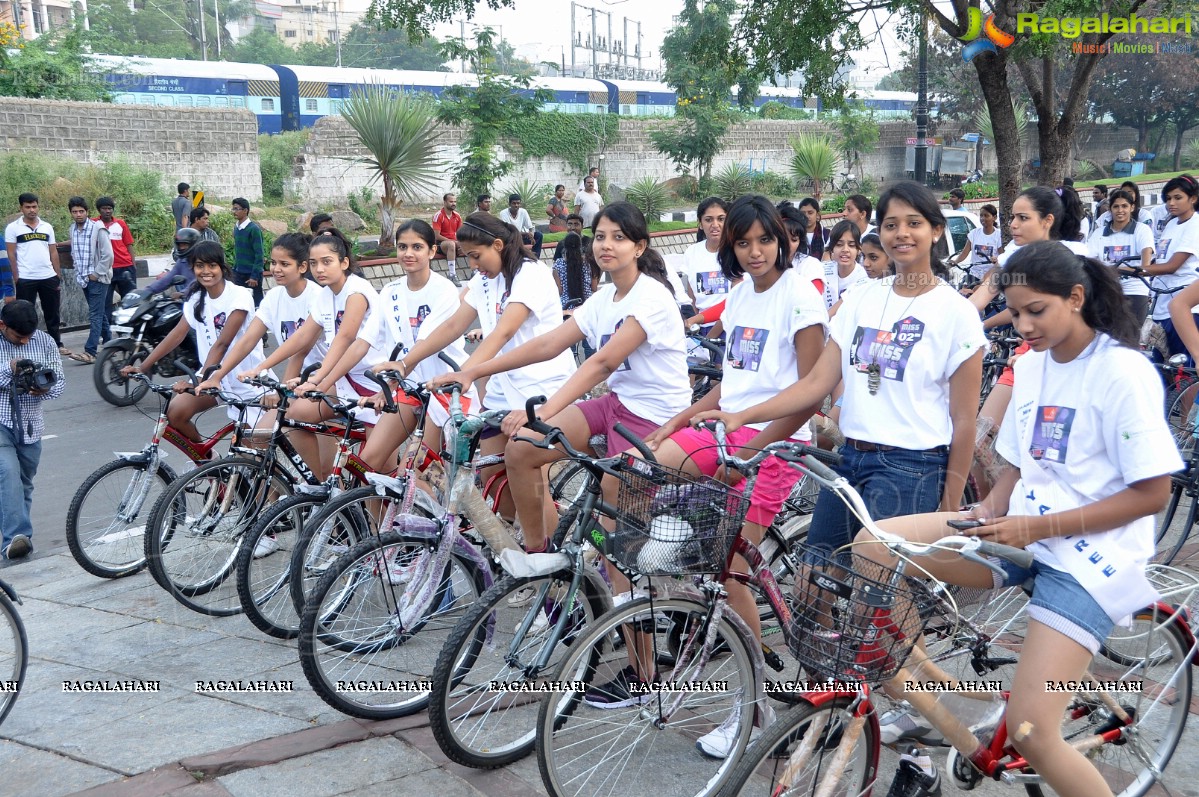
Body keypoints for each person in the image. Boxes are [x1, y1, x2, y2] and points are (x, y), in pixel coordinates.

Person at [862, 240, 1181, 797]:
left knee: (1034, 732)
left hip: (1090, 559)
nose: (1024, 325)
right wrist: (988, 508)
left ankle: (1026, 708)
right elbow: (1016, 463)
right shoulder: (1031, 366)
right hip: (1018, 533)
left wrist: (1032, 528)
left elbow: (1152, 493)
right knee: (870, 549)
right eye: (1016, 312)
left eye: (1037, 310)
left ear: (1076, 297)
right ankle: (939, 708)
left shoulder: (1122, 372)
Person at [694, 180, 985, 561]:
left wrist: (948, 506)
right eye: (891, 224)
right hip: (851, 459)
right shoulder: (862, 299)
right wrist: (742, 416)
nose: (901, 234)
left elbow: (964, 422)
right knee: (811, 583)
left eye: (913, 223)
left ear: (936, 230)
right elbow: (816, 382)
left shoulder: (956, 312)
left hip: (912, 466)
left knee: (876, 597)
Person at [633, 197, 827, 751]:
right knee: (640, 469)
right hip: (730, 430)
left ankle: (757, 704)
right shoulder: (739, 296)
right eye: (743, 243)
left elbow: (810, 392)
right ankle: (651, 595)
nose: (755, 251)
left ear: (785, 241)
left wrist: (752, 427)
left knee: (733, 562)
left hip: (781, 440)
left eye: (765, 240)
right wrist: (678, 420)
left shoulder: (800, 299)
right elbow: (733, 382)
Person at [403, 212, 575, 520]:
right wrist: (405, 362)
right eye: (469, 257)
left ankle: (542, 554)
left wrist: (467, 371)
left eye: (476, 256)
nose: (473, 264)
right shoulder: (484, 280)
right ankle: (513, 545)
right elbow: (453, 324)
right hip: (500, 394)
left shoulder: (531, 274)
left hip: (540, 390)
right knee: (494, 481)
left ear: (497, 245)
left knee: (533, 486)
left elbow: (504, 331)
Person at [238, 229, 388, 479]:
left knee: (376, 472)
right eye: (315, 263)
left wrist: (318, 381)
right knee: (294, 415)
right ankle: (316, 485)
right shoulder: (326, 294)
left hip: (374, 383)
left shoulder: (356, 291)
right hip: (344, 379)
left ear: (344, 263)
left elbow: (344, 339)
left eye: (327, 262)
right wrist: (260, 366)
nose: (319, 269)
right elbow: (302, 336)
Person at [354, 220, 476, 477]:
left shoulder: (444, 290)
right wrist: (385, 389)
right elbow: (364, 340)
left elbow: (425, 343)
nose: (408, 253)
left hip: (444, 388)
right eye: (402, 247)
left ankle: (438, 516)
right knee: (365, 466)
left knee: (416, 473)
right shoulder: (389, 291)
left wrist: (397, 377)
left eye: (417, 247)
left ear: (432, 251)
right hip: (408, 387)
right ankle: (383, 519)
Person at [122, 241, 265, 444]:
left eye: (212, 265)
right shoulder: (196, 297)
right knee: (176, 413)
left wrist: (199, 381)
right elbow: (176, 335)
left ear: (222, 268)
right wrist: (144, 367)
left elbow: (222, 344)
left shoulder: (239, 296)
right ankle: (209, 465)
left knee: (252, 452)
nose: (206, 271)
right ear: (193, 268)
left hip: (245, 379)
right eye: (200, 266)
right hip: (211, 378)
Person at [0, 299, 65, 560]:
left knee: (23, 483)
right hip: (1, 420)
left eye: (29, 337)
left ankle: (17, 538)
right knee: (7, 474)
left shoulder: (46, 342)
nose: (25, 342)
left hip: (30, 425)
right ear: (2, 325)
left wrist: (44, 388)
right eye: (19, 337)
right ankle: (16, 537)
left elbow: (59, 382)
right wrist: (10, 369)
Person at [5, 193, 69, 357]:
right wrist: (17, 277)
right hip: (26, 278)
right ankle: (25, 343)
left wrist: (57, 274)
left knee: (52, 313)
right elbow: (11, 254)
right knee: (25, 314)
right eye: (28, 207)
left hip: (48, 276)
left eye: (34, 206)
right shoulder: (13, 228)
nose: (32, 210)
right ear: (21, 208)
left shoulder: (46, 226)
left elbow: (53, 251)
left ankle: (56, 343)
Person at [1146, 174, 1199, 363]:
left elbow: (1173, 266)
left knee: (1184, 371)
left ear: (1193, 198)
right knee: (1165, 368)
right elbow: (1159, 261)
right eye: (1168, 198)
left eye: (1178, 197)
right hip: (1162, 306)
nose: (1171, 203)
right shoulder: (1170, 225)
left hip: (1186, 307)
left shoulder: (1195, 224)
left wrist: (1140, 269)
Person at [1090, 188, 1154, 326]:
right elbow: (1090, 263)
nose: (1120, 210)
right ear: (1110, 209)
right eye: (1116, 206)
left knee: (1131, 337)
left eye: (1124, 206)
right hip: (1107, 291)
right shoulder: (1099, 233)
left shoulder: (1142, 230)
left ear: (1132, 207)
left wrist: (1112, 270)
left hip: (1135, 290)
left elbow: (1146, 266)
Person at [66, 197, 114, 365]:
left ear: (87, 212)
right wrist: (81, 273)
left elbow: (108, 255)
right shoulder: (72, 229)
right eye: (74, 212)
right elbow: (75, 252)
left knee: (95, 314)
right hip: (84, 278)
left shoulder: (97, 228)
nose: (78, 215)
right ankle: (111, 345)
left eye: (81, 211)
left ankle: (90, 351)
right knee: (99, 313)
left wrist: (96, 273)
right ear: (71, 213)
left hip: (98, 278)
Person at [680, 197, 732, 330]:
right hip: (699, 326)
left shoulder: (736, 252)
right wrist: (695, 326)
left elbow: (733, 304)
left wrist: (710, 335)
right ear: (700, 224)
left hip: (728, 325)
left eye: (721, 219)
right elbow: (691, 293)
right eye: (708, 220)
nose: (715, 224)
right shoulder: (692, 252)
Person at [95, 197, 137, 322]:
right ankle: (107, 333)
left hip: (125, 266)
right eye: (104, 209)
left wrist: (133, 265)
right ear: (99, 210)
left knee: (130, 300)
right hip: (106, 269)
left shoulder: (121, 224)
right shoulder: (93, 224)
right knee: (106, 302)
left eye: (110, 208)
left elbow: (129, 244)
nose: (107, 211)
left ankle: (130, 328)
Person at [951, 203, 1001, 281]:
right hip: (974, 274)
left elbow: (1002, 256)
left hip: (991, 276)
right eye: (981, 215)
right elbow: (964, 253)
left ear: (994, 217)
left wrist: (996, 259)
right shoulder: (974, 233)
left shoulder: (999, 235)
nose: (983, 218)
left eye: (986, 215)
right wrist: (955, 262)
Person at [146, 228, 202, 296]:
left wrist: (183, 293)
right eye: (180, 245)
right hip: (188, 299)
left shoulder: (204, 262)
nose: (181, 248)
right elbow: (167, 279)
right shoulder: (182, 261)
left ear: (194, 244)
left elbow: (199, 281)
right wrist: (147, 291)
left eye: (185, 245)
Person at [552, 231, 599, 312]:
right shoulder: (589, 263)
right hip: (587, 306)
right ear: (580, 245)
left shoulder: (558, 264)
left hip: (566, 307)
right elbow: (594, 288)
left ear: (564, 246)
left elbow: (559, 291)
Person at [231, 197, 264, 307]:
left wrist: (254, 276)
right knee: (241, 304)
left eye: (237, 209)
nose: (234, 212)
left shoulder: (253, 229)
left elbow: (259, 254)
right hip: (239, 273)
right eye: (233, 209)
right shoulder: (236, 228)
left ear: (245, 211)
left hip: (251, 274)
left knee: (256, 304)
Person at [827, 218, 867, 306]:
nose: (845, 250)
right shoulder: (822, 270)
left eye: (851, 245)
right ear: (832, 248)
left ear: (859, 249)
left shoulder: (864, 277)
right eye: (839, 245)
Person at [498, 194, 544, 260]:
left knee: (539, 235)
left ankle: (535, 258)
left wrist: (531, 235)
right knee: (509, 237)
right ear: (509, 204)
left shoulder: (523, 211)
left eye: (518, 203)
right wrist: (525, 233)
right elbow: (509, 231)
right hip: (511, 237)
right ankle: (514, 259)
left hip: (521, 236)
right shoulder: (503, 213)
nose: (516, 205)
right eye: (514, 203)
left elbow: (530, 227)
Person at [432, 192, 463, 284]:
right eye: (451, 201)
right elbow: (437, 236)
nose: (453, 204)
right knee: (451, 244)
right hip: (441, 244)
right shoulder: (438, 216)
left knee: (470, 243)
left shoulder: (457, 216)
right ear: (445, 202)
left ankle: (475, 271)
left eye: (455, 201)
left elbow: (460, 233)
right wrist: (453, 241)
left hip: (454, 243)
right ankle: (452, 274)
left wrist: (462, 243)